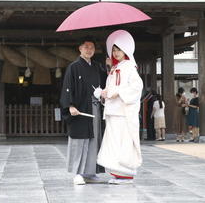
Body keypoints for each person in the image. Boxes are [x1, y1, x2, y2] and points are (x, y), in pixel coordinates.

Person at [97, 30, 143, 185]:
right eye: (114, 50)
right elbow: (111, 88)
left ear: (126, 50)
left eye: (119, 50)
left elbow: (137, 88)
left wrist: (118, 93)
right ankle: (117, 173)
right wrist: (105, 92)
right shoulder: (114, 69)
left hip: (123, 112)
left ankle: (126, 174)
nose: (116, 53)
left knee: (122, 141)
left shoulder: (130, 66)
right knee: (114, 142)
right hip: (113, 111)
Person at [60, 36, 107, 185]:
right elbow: (67, 87)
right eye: (86, 47)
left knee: (94, 140)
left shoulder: (97, 66)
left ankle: (90, 172)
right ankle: (78, 173)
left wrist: (109, 68)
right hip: (80, 109)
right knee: (79, 141)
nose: (89, 50)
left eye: (92, 47)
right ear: (80, 49)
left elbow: (105, 85)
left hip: (95, 107)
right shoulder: (73, 67)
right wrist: (70, 106)